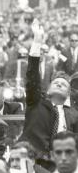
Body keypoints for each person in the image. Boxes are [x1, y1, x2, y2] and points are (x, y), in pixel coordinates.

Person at [20, 19, 78, 158]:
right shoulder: (36, 102)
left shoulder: (74, 115)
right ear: (48, 89)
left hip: (61, 163)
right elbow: (33, 75)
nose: (58, 84)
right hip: (33, 160)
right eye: (55, 82)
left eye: (63, 84)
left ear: (68, 93)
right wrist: (37, 43)